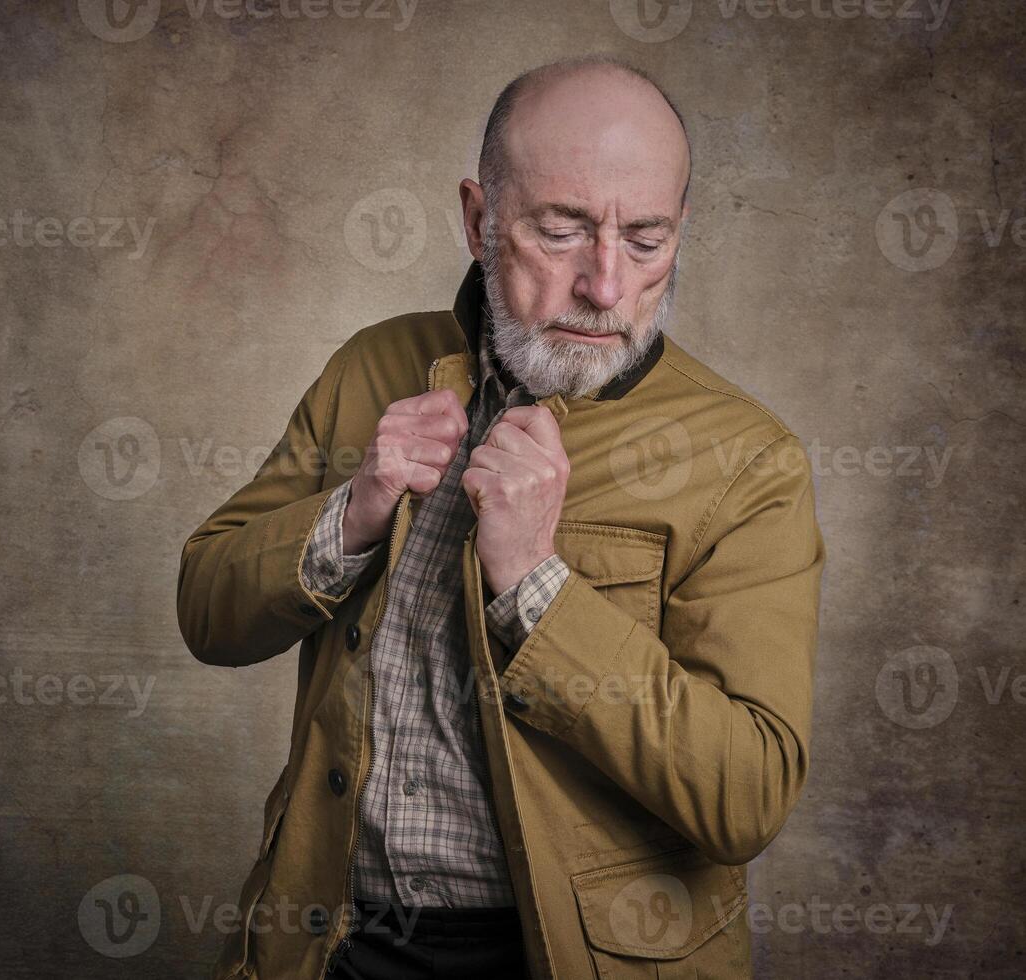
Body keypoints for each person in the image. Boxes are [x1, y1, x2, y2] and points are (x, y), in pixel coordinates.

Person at [178, 55, 825, 980]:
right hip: (328, 948)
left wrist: (535, 588)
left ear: (680, 229)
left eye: (644, 241)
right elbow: (207, 610)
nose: (605, 288)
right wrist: (350, 515)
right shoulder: (369, 367)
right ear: (481, 220)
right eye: (560, 233)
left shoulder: (750, 459)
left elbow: (746, 798)